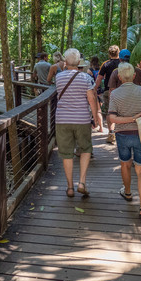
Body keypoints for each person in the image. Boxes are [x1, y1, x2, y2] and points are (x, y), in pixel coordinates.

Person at [107, 63, 141, 221]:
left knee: (125, 164)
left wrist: (128, 120)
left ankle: (127, 192)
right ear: (134, 76)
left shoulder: (114, 94)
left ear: (120, 77)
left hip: (122, 134)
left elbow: (112, 118)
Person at [55, 48, 99, 198]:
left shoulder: (59, 78)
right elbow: (91, 99)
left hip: (62, 120)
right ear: (80, 62)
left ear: (65, 62)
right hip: (82, 119)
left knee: (67, 154)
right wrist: (96, 118)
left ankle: (69, 187)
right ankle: (81, 182)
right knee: (86, 149)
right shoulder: (86, 78)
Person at [94, 45, 120, 143]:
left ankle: (111, 133)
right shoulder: (123, 64)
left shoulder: (105, 64)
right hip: (122, 91)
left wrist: (95, 89)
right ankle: (120, 132)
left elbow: (99, 78)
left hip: (109, 91)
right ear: (118, 53)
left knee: (111, 111)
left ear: (109, 53)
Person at [86, 56, 104, 132]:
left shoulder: (90, 70)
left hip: (94, 91)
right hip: (102, 91)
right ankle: (100, 127)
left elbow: (88, 81)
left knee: (95, 110)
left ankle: (97, 125)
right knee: (99, 110)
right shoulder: (101, 69)